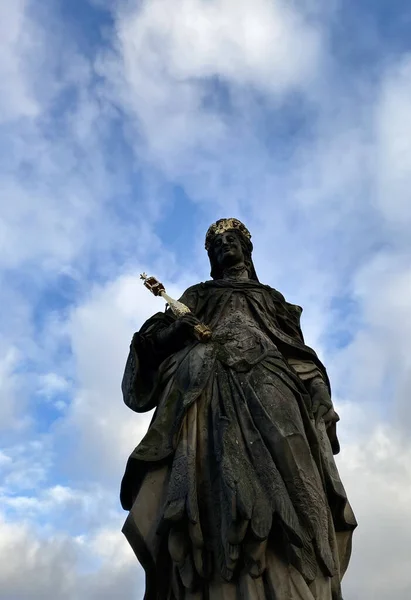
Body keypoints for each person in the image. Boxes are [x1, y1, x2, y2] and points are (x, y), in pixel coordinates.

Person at [121, 218, 356, 600]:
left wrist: (320, 393)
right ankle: (226, 574)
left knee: (299, 474)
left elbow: (300, 354)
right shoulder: (197, 294)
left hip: (272, 378)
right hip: (211, 383)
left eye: (232, 239)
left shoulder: (272, 299)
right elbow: (155, 339)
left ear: (246, 248)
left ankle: (305, 570)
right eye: (216, 244)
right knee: (220, 477)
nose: (224, 246)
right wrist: (179, 332)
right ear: (210, 256)